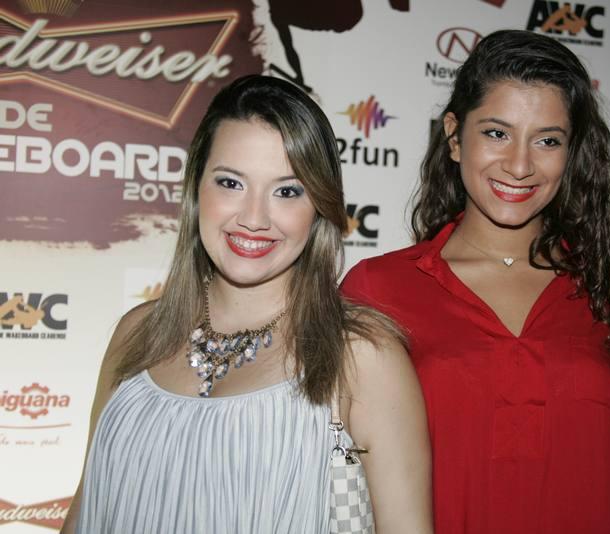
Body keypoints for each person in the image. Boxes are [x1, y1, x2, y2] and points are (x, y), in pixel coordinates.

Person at [61, 75, 432, 534]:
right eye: (231, 182)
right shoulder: (136, 334)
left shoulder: (362, 358)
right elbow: (86, 510)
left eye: (287, 191)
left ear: (319, 205)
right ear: (197, 188)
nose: (254, 218)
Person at [341, 30, 610, 534]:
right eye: (496, 133)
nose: (520, 165)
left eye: (547, 140)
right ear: (454, 137)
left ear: (571, 152)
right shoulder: (378, 290)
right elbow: (341, 478)